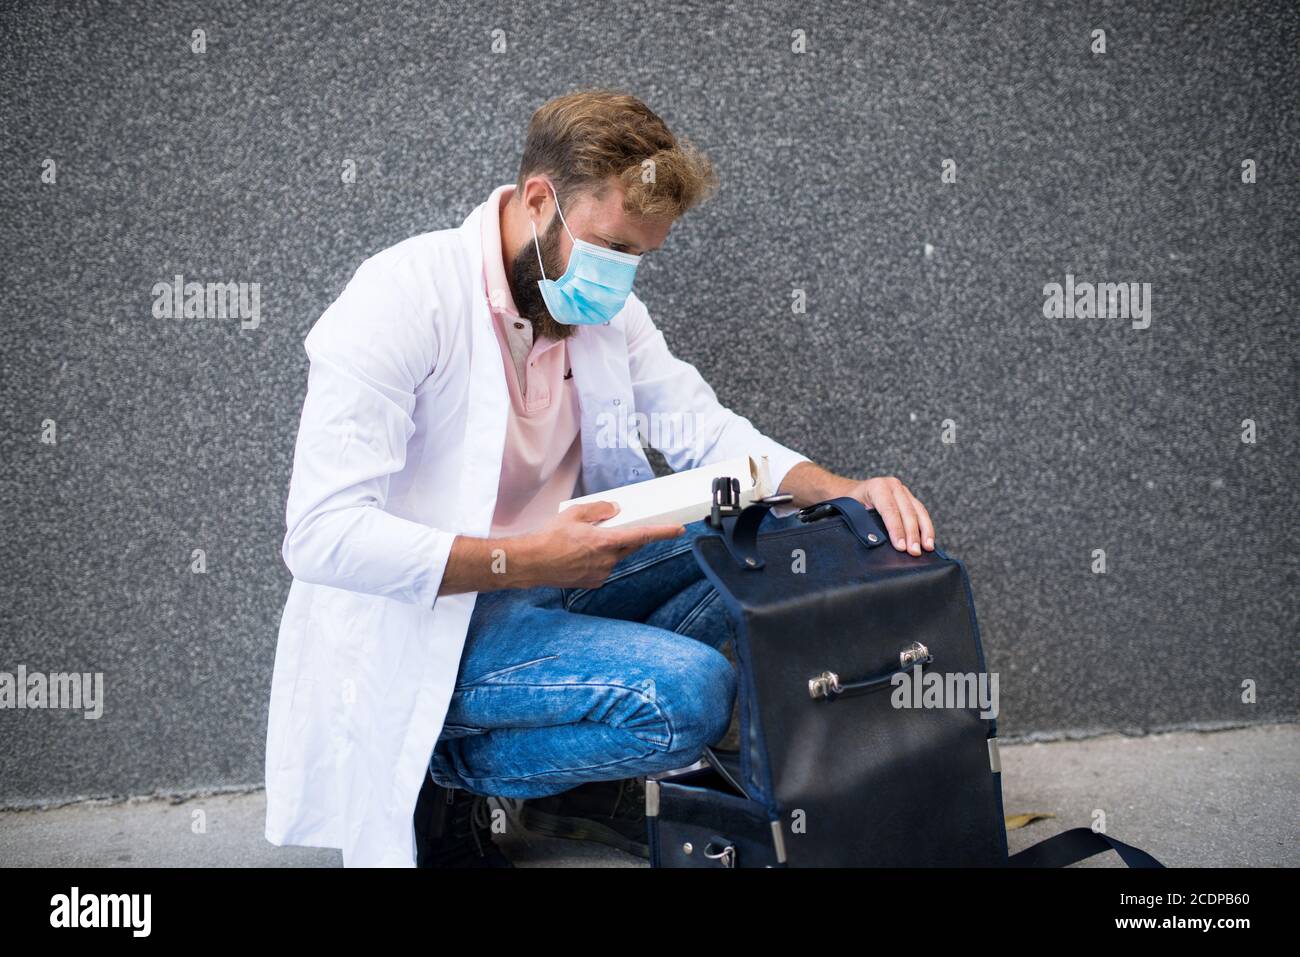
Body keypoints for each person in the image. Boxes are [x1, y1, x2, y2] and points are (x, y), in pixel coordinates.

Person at [264, 89, 937, 867]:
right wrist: (528, 558)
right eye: (611, 246)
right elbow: (322, 536)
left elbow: (705, 432)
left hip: (567, 573)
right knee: (690, 692)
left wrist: (842, 490)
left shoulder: (604, 310)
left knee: (786, 539)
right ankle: (446, 773)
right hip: (436, 625)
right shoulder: (400, 299)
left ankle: (582, 772)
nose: (620, 278)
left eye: (639, 258)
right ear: (540, 199)